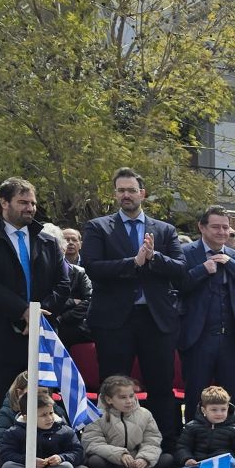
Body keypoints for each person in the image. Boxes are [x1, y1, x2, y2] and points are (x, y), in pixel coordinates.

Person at [0, 177, 67, 466]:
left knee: (42, 397)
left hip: (40, 331)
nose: (30, 208)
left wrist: (39, 313)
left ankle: (41, 455)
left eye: (32, 202)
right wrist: (23, 311)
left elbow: (63, 283)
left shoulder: (47, 240)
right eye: (23, 202)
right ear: (4, 203)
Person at [81, 168, 186, 444]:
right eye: (121, 190)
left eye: (131, 190)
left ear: (142, 193)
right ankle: (112, 445)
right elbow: (93, 267)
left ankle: (164, 444)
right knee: (114, 386)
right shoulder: (98, 227)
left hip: (156, 320)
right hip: (114, 322)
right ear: (115, 194)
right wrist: (134, 263)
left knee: (161, 385)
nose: (126, 195)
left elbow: (180, 268)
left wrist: (154, 257)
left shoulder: (164, 230)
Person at [178, 206, 235, 427]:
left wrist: (232, 265)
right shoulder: (185, 253)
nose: (221, 232)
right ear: (202, 227)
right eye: (216, 227)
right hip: (198, 338)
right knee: (196, 395)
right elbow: (176, 288)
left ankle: (229, 442)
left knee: (229, 396)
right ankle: (195, 442)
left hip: (231, 340)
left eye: (225, 227)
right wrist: (202, 270)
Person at [81, 375, 174, 468]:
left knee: (167, 458)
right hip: (113, 460)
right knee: (95, 461)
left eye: (131, 396)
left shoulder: (145, 414)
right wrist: (120, 455)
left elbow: (152, 441)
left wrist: (144, 458)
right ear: (109, 399)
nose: (129, 401)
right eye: (123, 397)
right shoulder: (96, 416)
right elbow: (92, 443)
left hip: (136, 458)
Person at [0, 392, 83, 468]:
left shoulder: (65, 431)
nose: (49, 418)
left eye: (51, 413)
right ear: (26, 418)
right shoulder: (14, 432)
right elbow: (6, 454)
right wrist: (29, 460)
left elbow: (77, 452)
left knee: (67, 467)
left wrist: (61, 458)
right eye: (43, 415)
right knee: (7, 467)